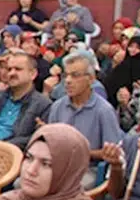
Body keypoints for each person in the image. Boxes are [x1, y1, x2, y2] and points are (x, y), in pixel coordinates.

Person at [46, 51, 124, 185]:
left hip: (87, 168)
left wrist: (83, 152)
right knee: (23, 183)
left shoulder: (103, 110)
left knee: (68, 187)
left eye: (75, 75)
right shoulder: (58, 106)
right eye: (66, 75)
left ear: (91, 79)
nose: (68, 81)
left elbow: (113, 152)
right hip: (58, 165)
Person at [0, 53, 51, 147]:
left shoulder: (42, 104)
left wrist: (2, 146)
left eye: (18, 69)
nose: (11, 73)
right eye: (9, 69)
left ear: (33, 74)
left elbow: (33, 138)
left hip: (8, 154)